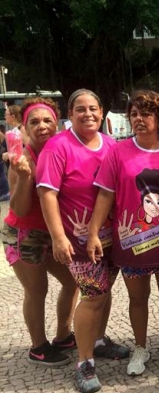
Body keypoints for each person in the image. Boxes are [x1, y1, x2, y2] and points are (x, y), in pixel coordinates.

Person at [86, 90, 159, 380]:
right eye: (134, 114)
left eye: (146, 113)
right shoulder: (117, 151)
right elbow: (105, 194)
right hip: (130, 242)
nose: (139, 119)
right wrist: (93, 232)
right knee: (137, 299)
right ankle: (141, 348)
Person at [37, 89, 129, 393]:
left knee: (105, 290)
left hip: (113, 238)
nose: (87, 114)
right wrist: (58, 237)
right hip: (77, 242)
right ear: (70, 113)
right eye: (80, 109)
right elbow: (47, 192)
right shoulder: (58, 147)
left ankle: (99, 340)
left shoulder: (112, 145)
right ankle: (84, 363)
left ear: (102, 112)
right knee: (93, 296)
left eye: (93, 108)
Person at [1, 98, 79, 366]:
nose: (42, 126)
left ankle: (63, 336)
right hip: (24, 234)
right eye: (34, 122)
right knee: (37, 290)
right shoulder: (21, 159)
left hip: (53, 233)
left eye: (47, 120)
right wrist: (24, 177)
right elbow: (20, 209)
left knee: (73, 281)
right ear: (24, 127)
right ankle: (38, 347)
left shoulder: (62, 151)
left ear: (57, 124)